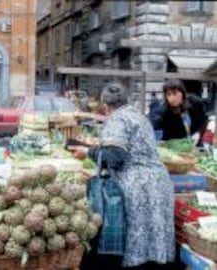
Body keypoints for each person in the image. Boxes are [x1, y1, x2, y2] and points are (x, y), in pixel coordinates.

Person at [71, 83, 175, 270]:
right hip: (159, 182)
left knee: (136, 239)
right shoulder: (138, 116)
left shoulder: (117, 120)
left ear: (104, 104)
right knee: (153, 239)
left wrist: (87, 151)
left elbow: (114, 157)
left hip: (137, 186)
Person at [149, 79, 207, 145]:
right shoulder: (164, 109)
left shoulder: (195, 103)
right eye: (168, 94)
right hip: (174, 147)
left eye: (174, 93)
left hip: (195, 144)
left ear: (182, 93)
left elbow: (203, 120)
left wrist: (198, 133)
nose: (171, 98)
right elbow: (154, 119)